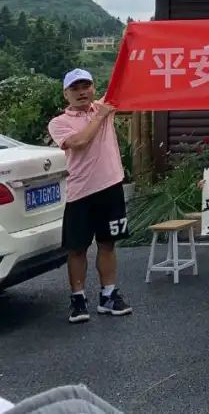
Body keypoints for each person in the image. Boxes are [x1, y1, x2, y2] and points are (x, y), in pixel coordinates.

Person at [47, 68, 132, 324]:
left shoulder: (104, 107)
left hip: (111, 187)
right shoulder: (59, 122)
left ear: (93, 88)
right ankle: (78, 299)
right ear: (66, 94)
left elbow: (127, 86)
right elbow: (79, 142)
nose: (81, 92)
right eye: (75, 88)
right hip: (80, 193)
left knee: (108, 244)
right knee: (77, 248)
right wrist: (101, 115)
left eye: (86, 86)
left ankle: (108, 295)